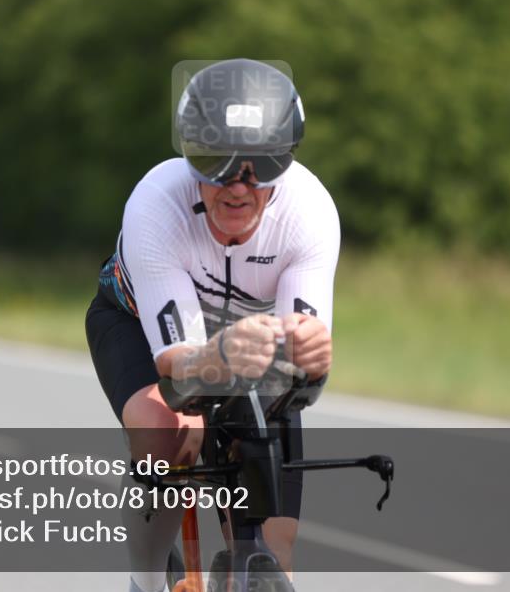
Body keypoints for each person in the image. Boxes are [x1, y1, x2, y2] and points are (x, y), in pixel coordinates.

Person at [85, 59, 339, 592]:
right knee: (169, 437)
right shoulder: (157, 202)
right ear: (189, 160)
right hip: (136, 323)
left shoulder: (310, 212)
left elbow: (298, 375)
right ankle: (148, 579)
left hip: (251, 345)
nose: (237, 186)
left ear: (285, 163)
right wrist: (218, 357)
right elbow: (178, 369)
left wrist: (310, 363)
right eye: (213, 164)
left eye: (261, 166)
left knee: (275, 543)